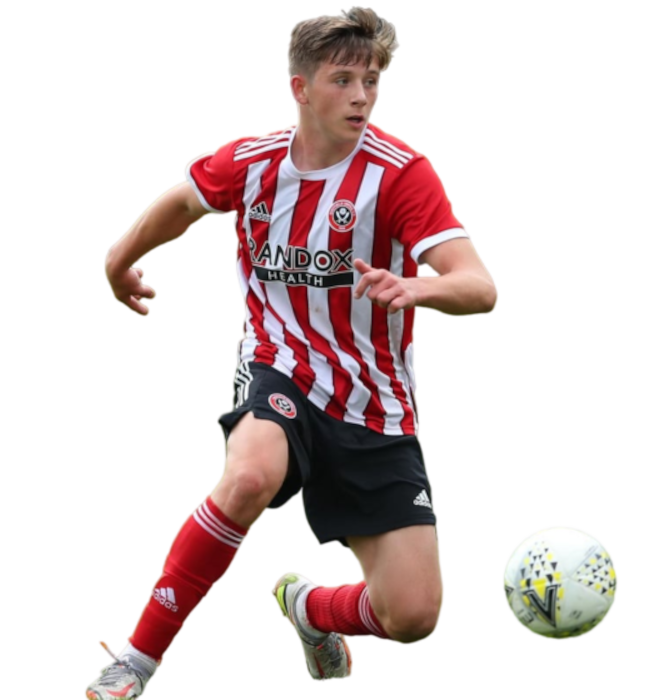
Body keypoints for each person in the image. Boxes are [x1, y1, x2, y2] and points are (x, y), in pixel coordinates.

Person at [88, 5, 499, 697]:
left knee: (414, 617)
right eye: (344, 80)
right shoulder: (251, 162)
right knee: (249, 477)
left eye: (372, 81)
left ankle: (308, 609)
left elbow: (481, 288)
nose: (362, 97)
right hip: (279, 366)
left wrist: (416, 288)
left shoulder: (400, 173)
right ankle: (135, 660)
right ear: (299, 87)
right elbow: (184, 203)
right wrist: (118, 259)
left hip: (375, 404)